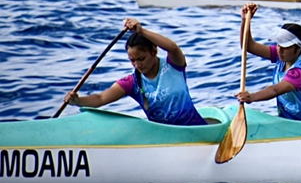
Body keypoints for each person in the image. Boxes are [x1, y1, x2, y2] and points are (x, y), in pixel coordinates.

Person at [63, 18, 206, 126]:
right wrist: (78, 101)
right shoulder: (132, 83)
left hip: (195, 127)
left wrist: (142, 31)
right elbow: (100, 98)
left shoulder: (173, 65)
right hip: (165, 135)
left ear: (154, 51)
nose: (137, 65)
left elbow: (173, 47)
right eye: (132, 60)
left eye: (141, 58)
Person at [234, 3, 301, 121]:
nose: (280, 49)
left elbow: (275, 90)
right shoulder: (282, 55)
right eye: (279, 44)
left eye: (285, 46)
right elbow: (248, 46)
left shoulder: (300, 72)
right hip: (288, 120)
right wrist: (245, 20)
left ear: (298, 48)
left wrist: (252, 97)